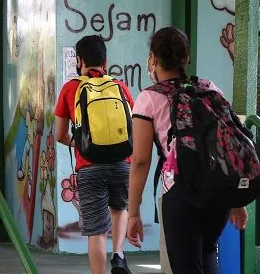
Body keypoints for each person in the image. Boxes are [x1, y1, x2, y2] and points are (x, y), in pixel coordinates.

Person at [127, 27, 248, 273]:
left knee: (185, 265)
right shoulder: (209, 89)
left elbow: (140, 160)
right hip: (218, 193)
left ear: (152, 58)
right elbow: (229, 143)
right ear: (186, 59)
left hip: (180, 193)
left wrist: (132, 213)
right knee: (208, 252)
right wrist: (237, 199)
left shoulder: (148, 98)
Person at [55, 35, 134, 274]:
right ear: (105, 62)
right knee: (120, 209)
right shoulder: (120, 87)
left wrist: (80, 145)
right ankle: (118, 255)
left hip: (89, 166)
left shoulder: (70, 88)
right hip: (122, 162)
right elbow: (134, 127)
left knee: (97, 231)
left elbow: (59, 134)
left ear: (79, 61)